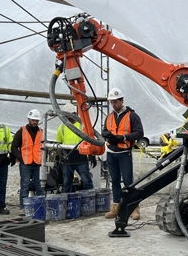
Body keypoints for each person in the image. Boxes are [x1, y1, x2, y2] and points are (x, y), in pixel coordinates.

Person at [101, 88, 144, 220]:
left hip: (124, 153)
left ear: (121, 100)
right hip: (111, 153)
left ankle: (133, 207)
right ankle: (117, 206)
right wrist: (106, 135)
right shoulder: (109, 117)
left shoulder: (132, 115)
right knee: (114, 180)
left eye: (115, 102)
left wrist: (124, 138)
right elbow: (105, 130)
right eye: (111, 102)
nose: (113, 105)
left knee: (128, 181)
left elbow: (139, 133)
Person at [11, 108, 45, 215]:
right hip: (26, 163)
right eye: (33, 120)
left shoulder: (41, 131)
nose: (35, 122)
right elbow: (14, 147)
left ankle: (41, 205)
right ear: (28, 119)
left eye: (36, 120)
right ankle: (23, 207)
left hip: (37, 163)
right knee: (25, 185)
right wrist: (20, 158)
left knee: (39, 185)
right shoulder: (22, 131)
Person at [56, 102, 95, 192]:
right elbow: (58, 144)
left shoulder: (83, 126)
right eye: (66, 115)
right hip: (68, 159)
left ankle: (89, 199)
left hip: (81, 157)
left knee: (86, 181)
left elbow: (90, 140)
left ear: (75, 114)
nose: (68, 117)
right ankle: (67, 202)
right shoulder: (62, 127)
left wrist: (92, 155)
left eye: (69, 115)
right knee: (66, 183)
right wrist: (58, 160)